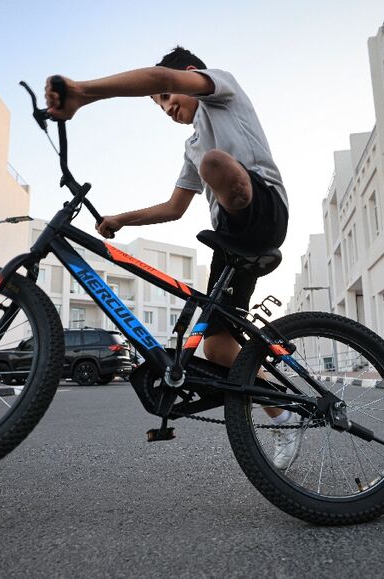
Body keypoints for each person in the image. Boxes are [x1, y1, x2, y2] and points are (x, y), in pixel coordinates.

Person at [46, 47, 298, 468]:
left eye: (166, 97)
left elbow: (159, 77)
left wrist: (83, 92)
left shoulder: (222, 87)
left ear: (189, 75)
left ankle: (235, 193)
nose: (165, 107)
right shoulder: (193, 147)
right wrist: (121, 219)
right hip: (232, 242)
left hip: (264, 209)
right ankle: (286, 414)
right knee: (218, 348)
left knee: (218, 164)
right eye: (160, 104)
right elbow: (174, 208)